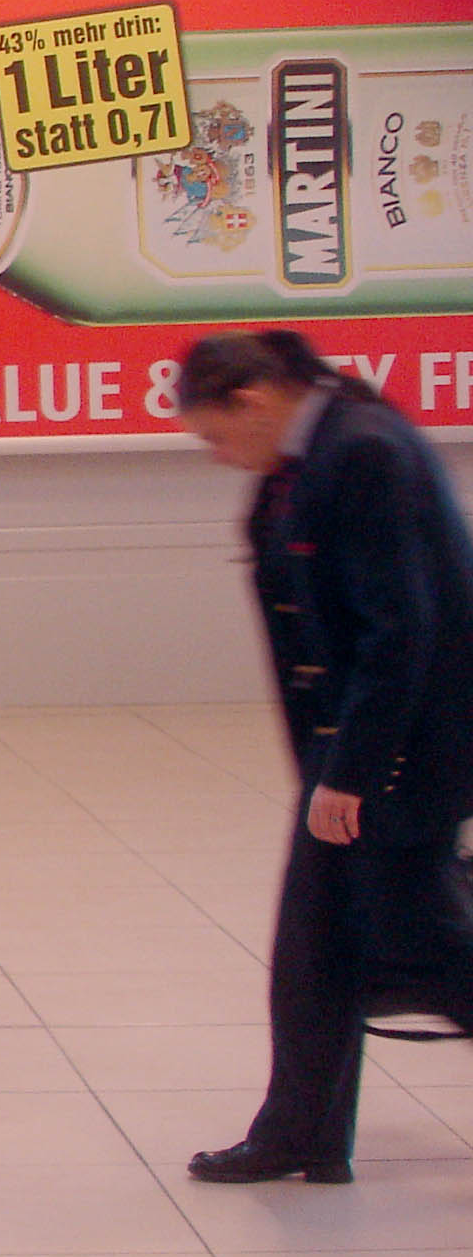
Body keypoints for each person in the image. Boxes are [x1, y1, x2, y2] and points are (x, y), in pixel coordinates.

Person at [174, 328, 473, 1184]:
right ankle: (299, 1134)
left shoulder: (363, 451)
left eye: (215, 435)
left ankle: (297, 1132)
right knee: (318, 948)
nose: (217, 456)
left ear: (253, 400)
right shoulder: (320, 449)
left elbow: (400, 629)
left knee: (428, 948)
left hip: (406, 750)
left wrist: (353, 774)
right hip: (356, 743)